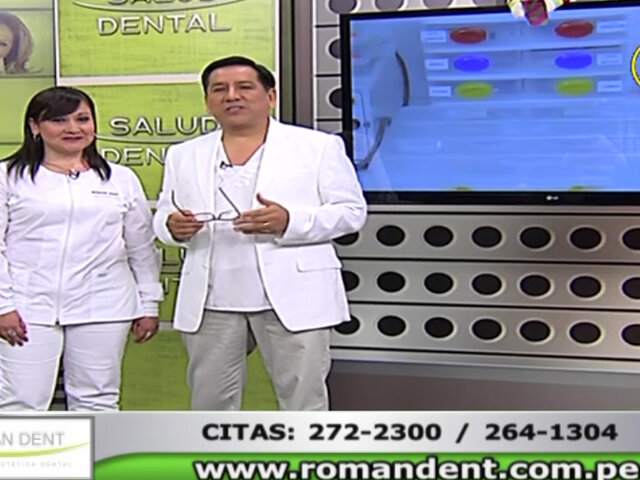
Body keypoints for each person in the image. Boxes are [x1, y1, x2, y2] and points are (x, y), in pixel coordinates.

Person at [153, 56, 366, 411]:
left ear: (271, 97)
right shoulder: (183, 155)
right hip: (211, 299)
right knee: (210, 401)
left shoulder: (317, 147)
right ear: (207, 101)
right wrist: (171, 226)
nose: (231, 96)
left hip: (294, 296)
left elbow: (351, 212)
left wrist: (289, 221)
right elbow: (164, 212)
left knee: (302, 401)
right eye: (219, 89)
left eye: (244, 87)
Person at [0, 86, 163, 411]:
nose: (73, 128)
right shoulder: (8, 176)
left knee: (97, 400)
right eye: (59, 120)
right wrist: (3, 305)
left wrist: (149, 304)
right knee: (22, 402)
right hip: (28, 306)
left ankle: (93, 449)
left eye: (82, 119)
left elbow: (141, 247)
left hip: (105, 305)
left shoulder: (120, 178)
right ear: (35, 126)